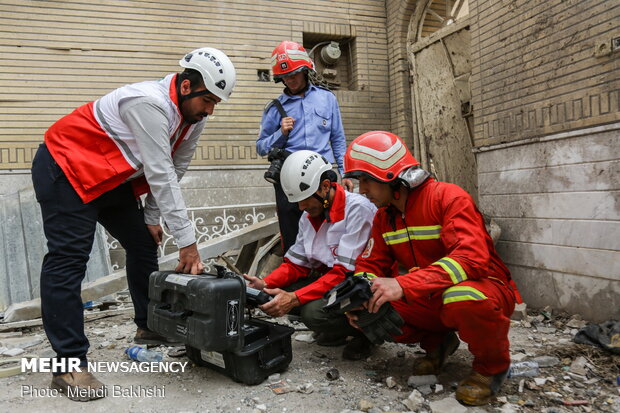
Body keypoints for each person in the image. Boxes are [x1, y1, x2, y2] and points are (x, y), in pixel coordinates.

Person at [30, 47, 236, 401]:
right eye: (208, 100)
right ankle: (69, 365)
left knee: (143, 243)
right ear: (186, 87)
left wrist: (154, 218)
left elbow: (175, 169)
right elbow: (159, 171)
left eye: (216, 102)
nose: (211, 110)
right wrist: (188, 243)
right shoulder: (148, 102)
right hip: (64, 168)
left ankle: (148, 326)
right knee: (69, 260)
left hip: (108, 179)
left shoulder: (193, 119)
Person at [342, 131, 521, 406]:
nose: (361, 189)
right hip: (431, 295)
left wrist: (403, 284)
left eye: (366, 180)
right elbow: (369, 264)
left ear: (389, 175)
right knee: (375, 308)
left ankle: (491, 368)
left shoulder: (447, 197)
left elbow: (472, 260)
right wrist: (360, 296)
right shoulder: (384, 218)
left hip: (486, 289)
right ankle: (438, 344)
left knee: (461, 298)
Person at [243, 150, 375, 357]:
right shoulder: (308, 217)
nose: (301, 207)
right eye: (297, 201)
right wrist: (265, 284)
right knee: (276, 293)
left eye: (305, 199)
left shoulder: (358, 210)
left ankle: (368, 334)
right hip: (335, 282)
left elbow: (344, 273)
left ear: (324, 187)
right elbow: (297, 264)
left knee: (312, 313)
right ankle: (336, 330)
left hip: (360, 285)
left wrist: (295, 298)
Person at [256, 40, 353, 254]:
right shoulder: (274, 109)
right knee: (293, 233)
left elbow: (337, 139)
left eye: (294, 74)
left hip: (323, 175)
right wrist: (280, 133)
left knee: (331, 227)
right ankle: (295, 273)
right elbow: (261, 147)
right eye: (285, 77)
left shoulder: (327, 99)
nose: (290, 80)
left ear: (306, 70)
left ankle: (330, 270)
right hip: (290, 178)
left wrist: (345, 172)